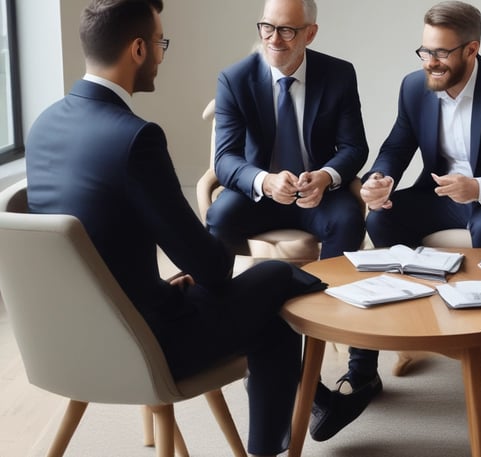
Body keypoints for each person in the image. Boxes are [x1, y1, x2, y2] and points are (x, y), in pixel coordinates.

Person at [23, 1, 318, 456]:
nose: (162, 55)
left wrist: (158, 286)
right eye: (160, 43)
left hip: (67, 344)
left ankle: (311, 411)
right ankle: (278, 439)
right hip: (145, 346)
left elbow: (97, 244)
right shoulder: (134, 137)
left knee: (262, 295)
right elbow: (213, 269)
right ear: (138, 49)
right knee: (276, 280)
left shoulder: (43, 126)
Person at [309, 0, 481, 443]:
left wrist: (477, 186)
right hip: (438, 194)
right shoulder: (414, 86)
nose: (431, 62)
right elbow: (396, 145)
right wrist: (377, 180)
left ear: (471, 50)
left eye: (441, 53)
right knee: (382, 222)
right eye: (424, 51)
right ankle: (365, 366)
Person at [205, 0, 368, 259]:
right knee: (220, 217)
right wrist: (266, 182)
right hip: (257, 193)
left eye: (287, 30)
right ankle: (235, 294)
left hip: (317, 193)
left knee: (348, 221)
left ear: (310, 34)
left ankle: (327, 293)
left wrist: (325, 176)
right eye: (267, 27)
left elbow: (354, 147)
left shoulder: (339, 74)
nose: (274, 39)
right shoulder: (234, 79)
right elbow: (225, 158)